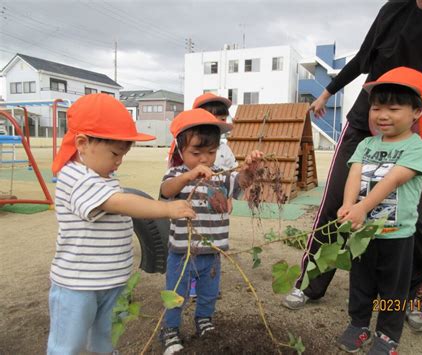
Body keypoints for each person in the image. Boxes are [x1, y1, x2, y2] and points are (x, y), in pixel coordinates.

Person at [283, 0, 422, 330]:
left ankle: (415, 296)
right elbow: (363, 57)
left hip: (414, 133)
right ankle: (309, 282)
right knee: (334, 206)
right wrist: (327, 93)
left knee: (413, 218)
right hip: (363, 125)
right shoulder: (397, 9)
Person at [47, 94, 196, 355]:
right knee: (67, 345)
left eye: (123, 154)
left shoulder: (104, 174)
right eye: (115, 153)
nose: (119, 161)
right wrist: (166, 208)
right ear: (82, 143)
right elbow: (116, 203)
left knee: (104, 337)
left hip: (111, 280)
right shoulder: (74, 176)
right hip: (78, 285)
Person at [336, 67, 422, 354]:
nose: (382, 115)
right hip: (362, 231)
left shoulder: (418, 148)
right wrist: (347, 206)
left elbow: (393, 179)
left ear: (416, 111)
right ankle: (359, 324)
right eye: (377, 107)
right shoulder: (366, 143)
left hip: (397, 235)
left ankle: (388, 335)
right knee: (361, 282)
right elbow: (354, 174)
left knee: (393, 288)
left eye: (393, 108)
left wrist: (362, 207)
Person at [159, 108, 263, 354]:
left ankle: (204, 320)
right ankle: (170, 329)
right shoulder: (177, 174)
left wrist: (251, 168)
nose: (204, 159)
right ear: (180, 150)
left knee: (208, 293)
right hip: (182, 254)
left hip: (212, 254)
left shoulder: (221, 178)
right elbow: (166, 190)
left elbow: (242, 182)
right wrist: (189, 176)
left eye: (211, 152)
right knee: (175, 294)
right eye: (196, 153)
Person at [189, 93, 238, 299]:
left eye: (223, 119)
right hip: (192, 203)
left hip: (215, 203)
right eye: (214, 118)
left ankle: (210, 282)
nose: (219, 123)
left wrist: (229, 199)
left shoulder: (224, 150)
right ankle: (191, 282)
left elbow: (230, 176)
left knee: (213, 240)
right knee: (191, 242)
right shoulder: (185, 145)